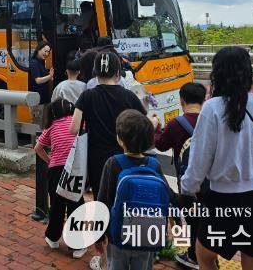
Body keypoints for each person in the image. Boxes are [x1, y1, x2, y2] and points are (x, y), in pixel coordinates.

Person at [181, 46, 253, 270]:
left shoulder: (212, 108)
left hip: (224, 201)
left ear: (217, 74)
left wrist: (187, 188)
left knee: (204, 256)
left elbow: (199, 160)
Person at [92, 110, 175, 270]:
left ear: (120, 139)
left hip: (119, 235)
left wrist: (99, 236)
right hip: (148, 235)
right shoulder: (154, 164)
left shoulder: (113, 163)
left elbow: (102, 202)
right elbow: (169, 195)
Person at [70, 50, 146, 199]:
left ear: (95, 73)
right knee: (123, 197)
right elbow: (143, 123)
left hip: (96, 158)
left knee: (101, 198)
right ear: (118, 73)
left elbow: (73, 129)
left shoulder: (87, 96)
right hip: (125, 156)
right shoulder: (129, 96)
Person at [151, 82, 207, 269]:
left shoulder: (176, 124)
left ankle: (193, 256)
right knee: (208, 217)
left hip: (187, 182)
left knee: (191, 218)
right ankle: (208, 255)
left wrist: (156, 128)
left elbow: (161, 145)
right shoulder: (210, 120)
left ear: (182, 100)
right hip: (210, 182)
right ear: (203, 99)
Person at [34, 99, 87, 259]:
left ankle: (53, 238)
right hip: (74, 169)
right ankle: (77, 246)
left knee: (57, 206)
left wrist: (50, 160)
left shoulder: (52, 125)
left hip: (55, 170)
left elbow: (38, 147)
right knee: (75, 205)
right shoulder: (78, 123)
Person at [28, 41, 53, 105]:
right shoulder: (34, 62)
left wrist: (49, 76)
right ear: (38, 49)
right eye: (45, 51)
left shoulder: (41, 61)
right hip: (37, 100)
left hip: (43, 98)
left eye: (48, 52)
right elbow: (38, 81)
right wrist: (50, 76)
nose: (47, 54)